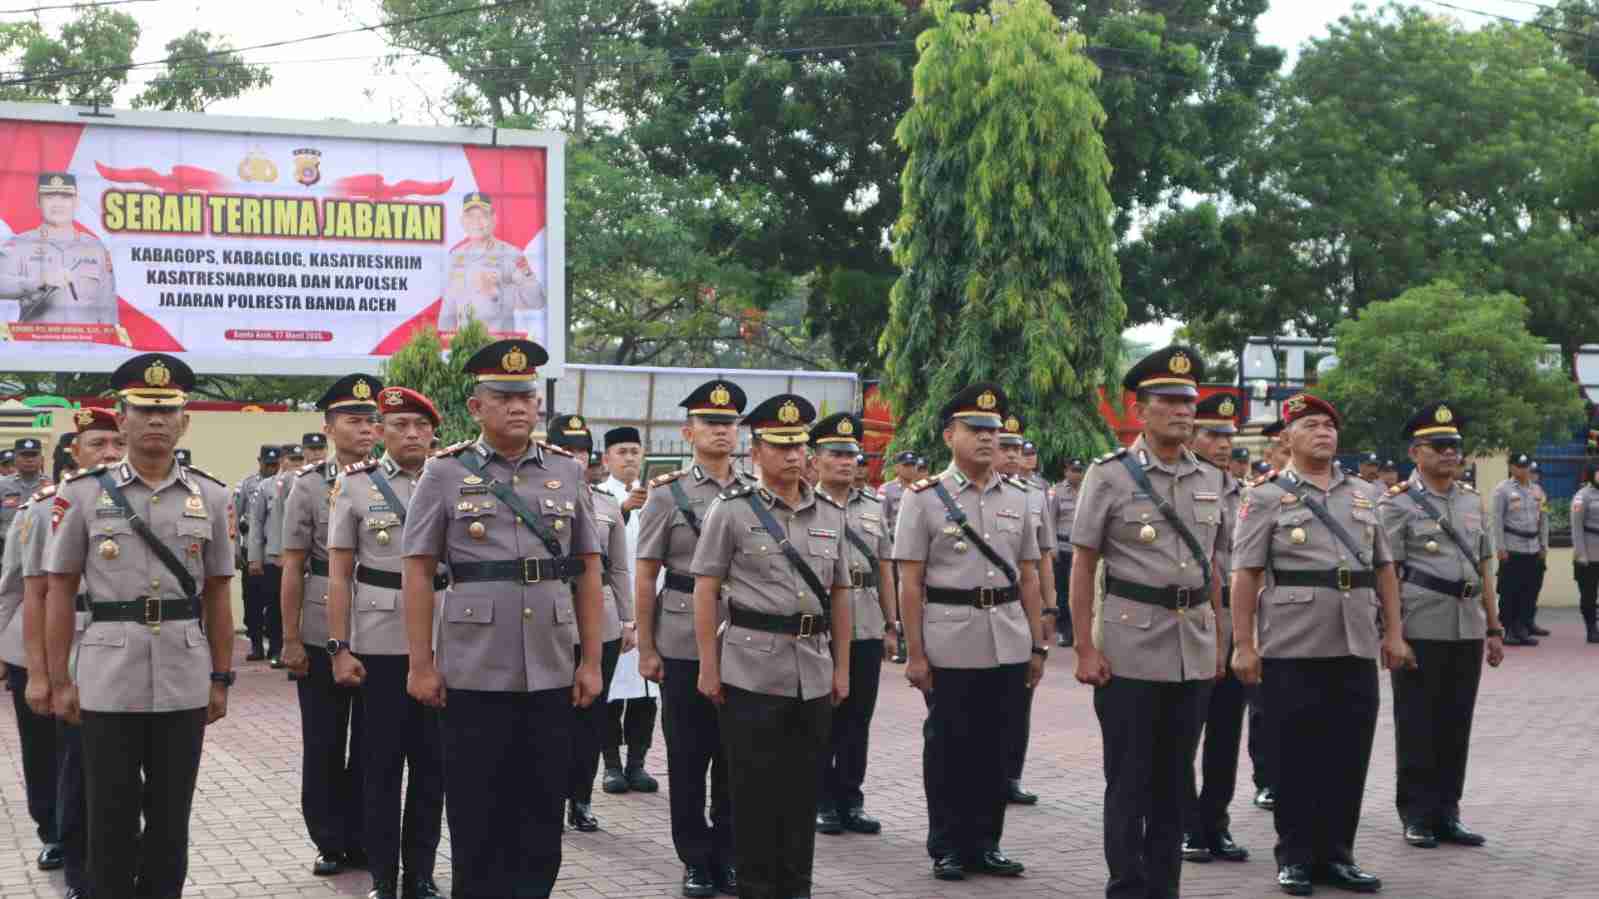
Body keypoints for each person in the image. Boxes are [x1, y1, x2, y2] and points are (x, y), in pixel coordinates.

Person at [402, 338, 605, 899]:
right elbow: (418, 572)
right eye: (503, 396)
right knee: (476, 812)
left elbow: (588, 570)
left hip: (550, 666)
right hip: (473, 670)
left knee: (541, 811)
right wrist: (421, 664)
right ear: (477, 406)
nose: (518, 407)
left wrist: (590, 660)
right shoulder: (443, 474)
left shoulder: (566, 471)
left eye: (526, 397)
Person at [45, 352, 236, 899]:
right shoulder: (82, 494)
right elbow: (58, 590)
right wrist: (60, 679)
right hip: (108, 674)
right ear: (120, 418)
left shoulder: (213, 496)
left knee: (171, 817)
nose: (156, 419)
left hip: (183, 673)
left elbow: (220, 593)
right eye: (143, 409)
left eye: (168, 409)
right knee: (109, 813)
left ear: (185, 420)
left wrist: (221, 677)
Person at [1230, 392, 1416, 897]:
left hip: (1355, 640)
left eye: (1330, 426)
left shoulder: (1365, 494)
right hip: (1291, 643)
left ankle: (1338, 855)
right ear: (1287, 437)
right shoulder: (1265, 496)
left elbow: (1385, 570)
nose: (1323, 433)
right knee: (1293, 756)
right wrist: (1243, 644)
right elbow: (1245, 575)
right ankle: (1294, 857)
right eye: (1311, 425)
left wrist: (1395, 634)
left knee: (1348, 754)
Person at [1069, 347, 1226, 899]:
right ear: (1141, 411)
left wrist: (1222, 643)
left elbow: (1217, 568)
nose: (1184, 410)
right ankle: (1127, 885)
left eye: (1190, 401)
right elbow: (1084, 562)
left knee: (1176, 780)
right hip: (1130, 647)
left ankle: (1164, 887)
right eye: (1169, 400)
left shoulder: (1212, 477)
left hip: (1194, 647)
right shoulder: (1108, 476)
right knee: (1130, 779)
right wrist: (1086, 649)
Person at [692, 394, 852, 899]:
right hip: (750, 670)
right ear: (756, 451)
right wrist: (708, 666)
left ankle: (795, 887)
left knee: (803, 792)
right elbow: (705, 588)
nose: (792, 456)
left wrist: (842, 668)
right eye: (780, 447)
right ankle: (758, 889)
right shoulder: (732, 511)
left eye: (799, 446)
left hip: (813, 668)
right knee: (755, 794)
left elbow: (841, 594)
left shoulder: (829, 512)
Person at [895, 382, 1048, 882]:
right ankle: (948, 845)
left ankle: (987, 842)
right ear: (949, 436)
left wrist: (1036, 642)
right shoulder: (923, 500)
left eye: (993, 431)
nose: (987, 439)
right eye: (975, 429)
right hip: (949, 639)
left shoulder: (1019, 498)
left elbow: (1027, 574)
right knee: (949, 747)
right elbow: (910, 582)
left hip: (1006, 635)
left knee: (997, 746)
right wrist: (915, 654)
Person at [327, 386, 446, 899]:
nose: (412, 434)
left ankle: (420, 872)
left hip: (445, 640)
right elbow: (338, 575)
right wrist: (339, 647)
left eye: (421, 426)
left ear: (434, 433)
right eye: (400, 426)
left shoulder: (454, 480)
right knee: (378, 767)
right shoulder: (355, 486)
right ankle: (383, 875)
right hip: (378, 644)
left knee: (432, 767)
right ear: (381, 432)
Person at [635, 379, 752, 897]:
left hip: (745, 639)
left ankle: (727, 853)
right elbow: (645, 573)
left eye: (729, 423)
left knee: (735, 755)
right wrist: (646, 646)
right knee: (688, 757)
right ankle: (695, 859)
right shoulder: (668, 493)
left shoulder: (756, 490)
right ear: (689, 432)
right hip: (681, 638)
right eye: (711, 422)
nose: (721, 430)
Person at [2, 406, 126, 898]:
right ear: (75, 452)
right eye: (98, 444)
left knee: (93, 756)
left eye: (117, 444)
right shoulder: (42, 508)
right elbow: (16, 587)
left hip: (107, 641)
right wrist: (30, 665)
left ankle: (96, 845)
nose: (109, 454)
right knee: (45, 749)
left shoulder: (141, 507)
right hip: (42, 641)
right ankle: (53, 830)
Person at [1381, 403, 1504, 852]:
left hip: (1467, 625)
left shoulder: (1472, 500)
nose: (1450, 453)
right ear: (1416, 452)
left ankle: (1447, 812)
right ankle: (1416, 814)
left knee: (1456, 723)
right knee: (1417, 724)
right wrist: (1392, 632)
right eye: (1440, 446)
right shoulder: (1396, 504)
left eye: (1455, 445)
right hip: (1421, 624)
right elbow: (1388, 571)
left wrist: (1494, 627)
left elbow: (1485, 567)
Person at [281, 375, 381, 876]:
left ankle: (364, 835)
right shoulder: (308, 485)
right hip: (322, 627)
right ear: (328, 426)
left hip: (379, 626)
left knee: (371, 742)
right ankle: (328, 838)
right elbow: (293, 565)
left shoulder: (391, 481)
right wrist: (291, 638)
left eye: (370, 421)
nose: (364, 429)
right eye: (353, 420)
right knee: (323, 741)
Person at [543, 413, 633, 833]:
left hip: (603, 621)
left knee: (591, 717)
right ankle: (546, 797)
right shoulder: (534, 495)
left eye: (582, 451)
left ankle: (579, 799)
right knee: (549, 718)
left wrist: (630, 619)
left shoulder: (606, 503)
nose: (577, 459)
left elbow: (618, 570)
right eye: (568, 450)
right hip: (550, 622)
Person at [810, 412, 895, 838]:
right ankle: (822, 801)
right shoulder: (804, 505)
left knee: (858, 717)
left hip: (865, 624)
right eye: (835, 454)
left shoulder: (875, 507)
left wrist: (891, 623)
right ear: (816, 460)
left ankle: (851, 798)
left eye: (851, 454)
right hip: (820, 625)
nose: (846, 462)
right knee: (823, 716)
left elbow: (886, 568)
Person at [1178, 393, 1250, 866]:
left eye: (1228, 435)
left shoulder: (1245, 492)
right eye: (1212, 433)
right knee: (1184, 734)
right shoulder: (1178, 488)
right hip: (1192, 624)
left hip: (1234, 624)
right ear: (1191, 435)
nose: (1223, 443)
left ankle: (1216, 822)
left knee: (1225, 734)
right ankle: (1188, 825)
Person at [596, 426, 661, 794]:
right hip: (615, 610)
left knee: (647, 694)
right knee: (611, 693)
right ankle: (611, 765)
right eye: (622, 452)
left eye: (635, 451)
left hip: (650, 610)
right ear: (606, 459)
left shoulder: (656, 497)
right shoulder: (600, 496)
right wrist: (622, 509)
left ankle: (637, 763)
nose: (630, 458)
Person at [996, 412, 1056, 806]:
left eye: (1018, 448)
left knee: (1020, 700)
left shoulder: (1034, 496)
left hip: (1022, 609)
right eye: (1006, 447)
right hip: (981, 610)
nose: (1013, 455)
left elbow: (1045, 558)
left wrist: (1051, 609)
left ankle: (1010, 776)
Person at [0, 173, 116, 326]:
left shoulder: (96, 248)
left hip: (87, 346)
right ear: (38, 202)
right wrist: (39, 283)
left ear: (75, 202)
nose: (57, 204)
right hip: (34, 345)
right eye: (49, 197)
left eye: (65, 197)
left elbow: (107, 309)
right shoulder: (20, 244)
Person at [437, 192, 546, 334]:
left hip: (499, 348)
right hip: (465, 349)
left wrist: (497, 291)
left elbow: (537, 301)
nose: (476, 222)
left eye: (483, 216)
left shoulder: (511, 254)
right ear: (462, 221)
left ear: (493, 219)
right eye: (470, 216)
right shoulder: (456, 257)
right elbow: (448, 308)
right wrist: (443, 347)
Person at [249, 444, 300, 668]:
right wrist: (255, 557)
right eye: (292, 459)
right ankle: (277, 648)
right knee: (275, 605)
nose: (297, 464)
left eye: (300, 459)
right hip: (275, 557)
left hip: (302, 557)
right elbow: (256, 523)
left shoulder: (310, 481)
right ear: (282, 461)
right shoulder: (266, 487)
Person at [1493, 454, 1547, 646]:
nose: (1523, 470)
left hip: (1532, 548)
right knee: (1509, 591)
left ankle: (1522, 629)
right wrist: (1500, 547)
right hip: (1512, 547)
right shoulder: (1502, 490)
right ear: (1511, 467)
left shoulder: (1538, 490)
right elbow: (1497, 520)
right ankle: (1508, 630)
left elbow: (1543, 520)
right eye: (1519, 466)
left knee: (1528, 590)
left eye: (1526, 466)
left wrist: (1543, 545)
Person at [237, 445, 280, 661]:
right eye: (268, 464)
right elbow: (235, 518)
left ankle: (275, 647)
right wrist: (236, 552)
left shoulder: (282, 483)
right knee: (251, 601)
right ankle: (255, 644)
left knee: (274, 602)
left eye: (275, 464)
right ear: (259, 461)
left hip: (272, 553)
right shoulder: (247, 484)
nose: (272, 468)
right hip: (250, 551)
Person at [878, 450, 920, 664]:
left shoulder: (921, 489)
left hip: (915, 550)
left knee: (916, 593)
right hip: (894, 549)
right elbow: (880, 521)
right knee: (895, 592)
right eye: (906, 465)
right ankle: (896, 639)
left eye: (913, 465)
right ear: (897, 468)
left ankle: (912, 639)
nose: (910, 469)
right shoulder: (887, 490)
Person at [1051, 458, 1085, 647]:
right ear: (1066, 471)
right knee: (1063, 592)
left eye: (1080, 470)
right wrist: (1052, 547)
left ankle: (1079, 633)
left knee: (1080, 593)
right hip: (1062, 549)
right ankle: (1064, 631)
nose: (1077, 474)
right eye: (1073, 470)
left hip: (1081, 551)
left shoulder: (1089, 489)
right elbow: (1050, 519)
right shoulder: (1057, 491)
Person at [1, 437, 53, 548]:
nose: (29, 460)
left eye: (34, 455)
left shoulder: (54, 487)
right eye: (24, 456)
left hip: (41, 550)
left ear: (42, 459)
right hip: (6, 548)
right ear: (15, 459)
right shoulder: (2, 486)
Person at [1574, 463, 1599, 644]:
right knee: (1589, 594)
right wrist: (1581, 554)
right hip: (1590, 554)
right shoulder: (1582, 497)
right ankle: (1591, 628)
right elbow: (1576, 528)